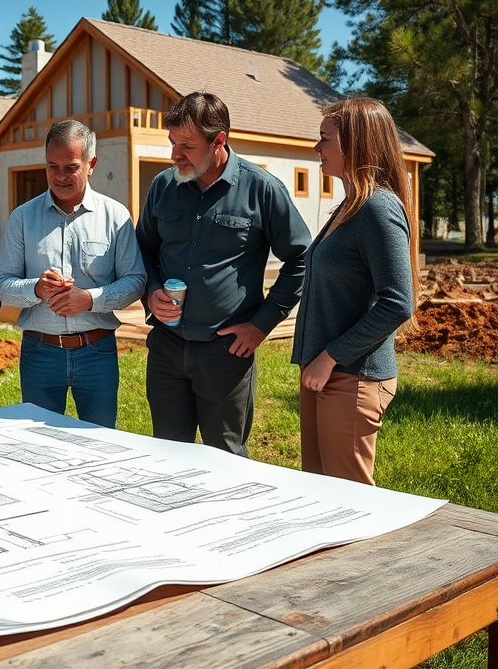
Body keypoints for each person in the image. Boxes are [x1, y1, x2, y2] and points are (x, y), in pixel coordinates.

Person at [136, 92, 311, 456]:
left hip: (226, 354)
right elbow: (144, 251)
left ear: (219, 141)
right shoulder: (163, 187)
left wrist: (261, 324)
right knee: (167, 457)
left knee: (227, 457)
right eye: (172, 143)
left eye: (186, 145)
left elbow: (301, 260)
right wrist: (151, 290)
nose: (174, 155)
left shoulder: (262, 189)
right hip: (166, 350)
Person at [292, 98, 417, 485]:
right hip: (325, 375)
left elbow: (398, 302)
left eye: (324, 138)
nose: (317, 148)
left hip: (352, 377)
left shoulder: (378, 209)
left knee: (351, 504)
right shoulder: (350, 206)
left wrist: (329, 357)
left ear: (356, 145)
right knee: (320, 492)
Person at [0, 120, 145, 428]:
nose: (60, 176)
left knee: (102, 443)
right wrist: (36, 288)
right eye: (52, 166)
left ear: (91, 164)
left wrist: (89, 299)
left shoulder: (115, 217)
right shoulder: (23, 218)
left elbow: (135, 281)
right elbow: (1, 284)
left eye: (70, 167)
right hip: (40, 353)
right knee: (40, 447)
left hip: (97, 352)